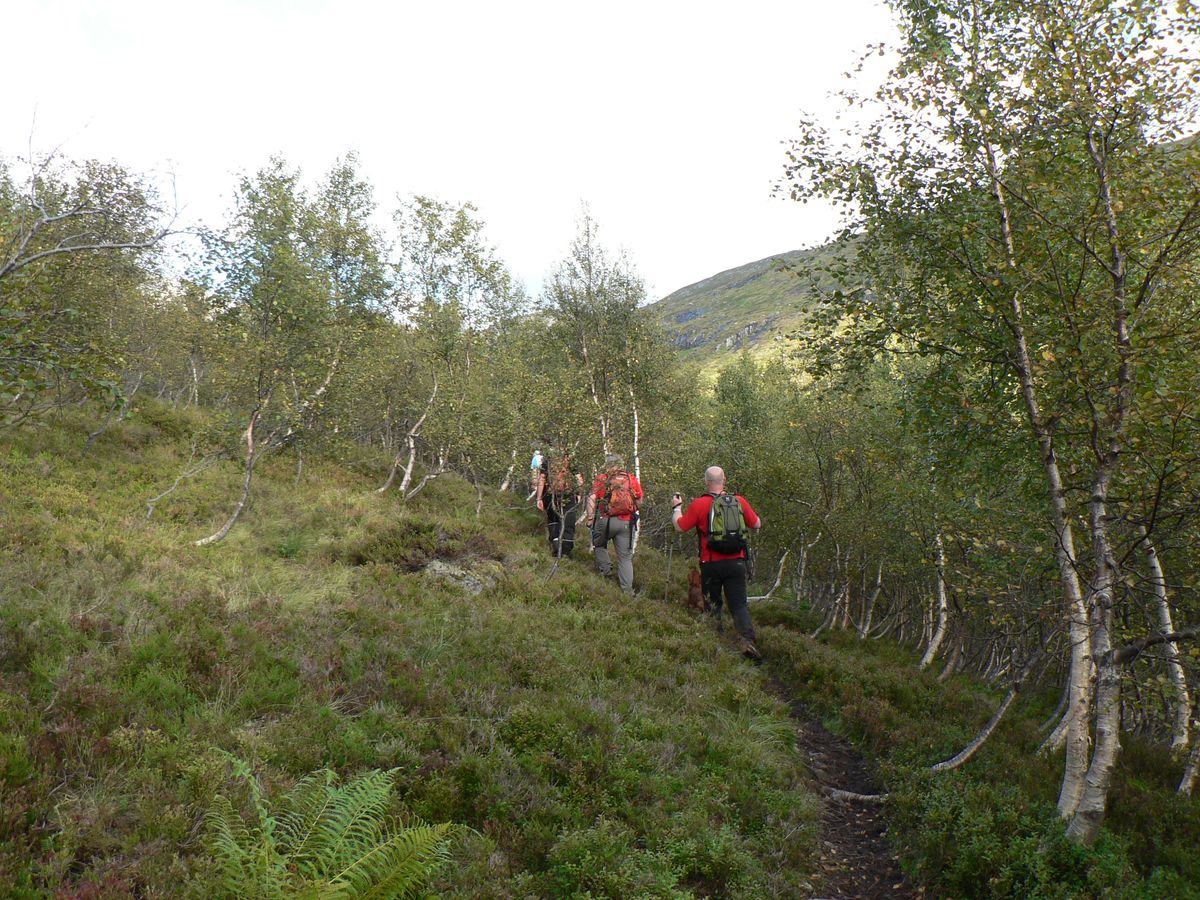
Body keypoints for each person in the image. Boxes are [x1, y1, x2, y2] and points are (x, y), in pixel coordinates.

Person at [672, 466, 763, 660]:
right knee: (739, 605)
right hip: (736, 562)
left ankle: (716, 644)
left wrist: (676, 508)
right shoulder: (739, 501)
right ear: (725, 480)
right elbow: (756, 524)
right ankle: (747, 641)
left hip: (710, 563)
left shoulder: (699, 504)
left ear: (706, 482)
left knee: (713, 604)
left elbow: (680, 527)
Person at [586, 453, 644, 595]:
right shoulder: (630, 479)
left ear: (608, 465)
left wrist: (590, 517)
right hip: (626, 523)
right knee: (625, 558)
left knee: (599, 544)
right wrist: (632, 510)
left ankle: (605, 571)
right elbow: (639, 501)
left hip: (605, 520)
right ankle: (627, 591)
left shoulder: (602, 479)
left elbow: (591, 498)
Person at [537, 444, 583, 558]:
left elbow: (542, 479)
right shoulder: (570, 460)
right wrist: (578, 493)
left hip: (550, 494)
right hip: (567, 495)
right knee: (568, 522)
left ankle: (556, 545)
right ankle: (566, 551)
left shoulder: (547, 460)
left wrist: (539, 498)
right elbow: (579, 479)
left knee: (553, 520)